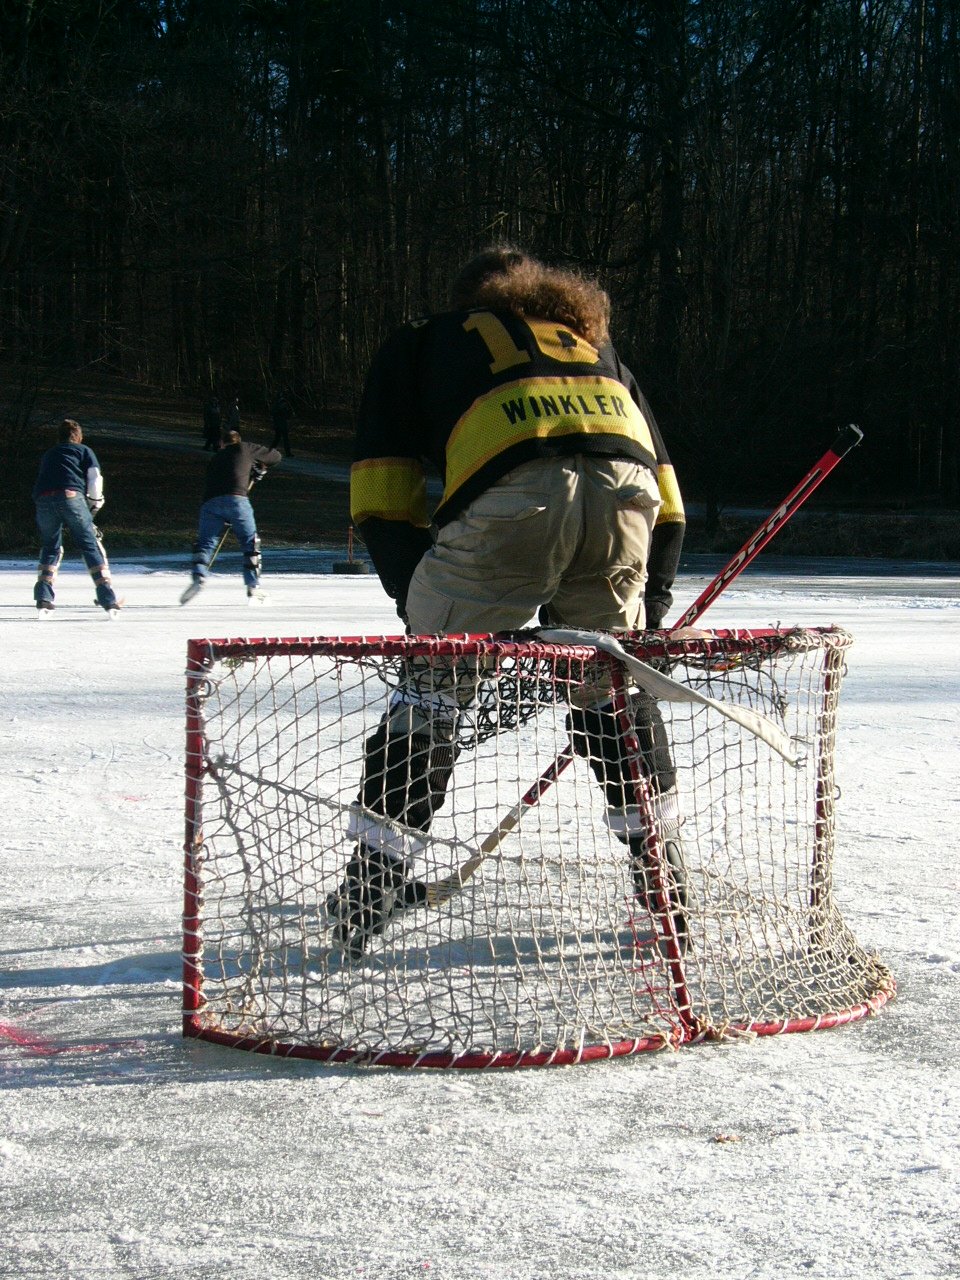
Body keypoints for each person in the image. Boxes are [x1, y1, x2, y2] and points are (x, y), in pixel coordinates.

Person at [329, 246, 688, 958]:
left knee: (431, 697)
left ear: (468, 300)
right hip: (627, 499)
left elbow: (382, 490)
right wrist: (651, 605)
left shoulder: (426, 341)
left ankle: (371, 889)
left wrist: (422, 616)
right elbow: (668, 496)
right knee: (610, 697)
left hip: (514, 497)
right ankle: (664, 882)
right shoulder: (593, 343)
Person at [179, 430, 281, 604]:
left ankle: (199, 576)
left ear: (222, 444)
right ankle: (253, 586)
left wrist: (252, 472)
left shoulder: (215, 458)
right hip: (237, 500)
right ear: (238, 441)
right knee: (250, 543)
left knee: (205, 543)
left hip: (210, 503)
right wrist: (259, 469)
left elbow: (225, 477)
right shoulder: (246, 448)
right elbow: (276, 457)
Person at [31, 419, 121, 616]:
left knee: (51, 547)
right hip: (71, 496)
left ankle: (43, 598)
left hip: (43, 499)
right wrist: (95, 501)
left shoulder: (50, 453)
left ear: (59, 437)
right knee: (90, 544)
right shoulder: (84, 451)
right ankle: (108, 598)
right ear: (79, 437)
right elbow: (95, 478)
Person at [270, 391, 294, 456]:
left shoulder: (276, 404)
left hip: (278, 423)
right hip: (282, 423)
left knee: (277, 438)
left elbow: (273, 413)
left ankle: (271, 451)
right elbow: (287, 414)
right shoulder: (283, 404)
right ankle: (288, 453)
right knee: (284, 438)